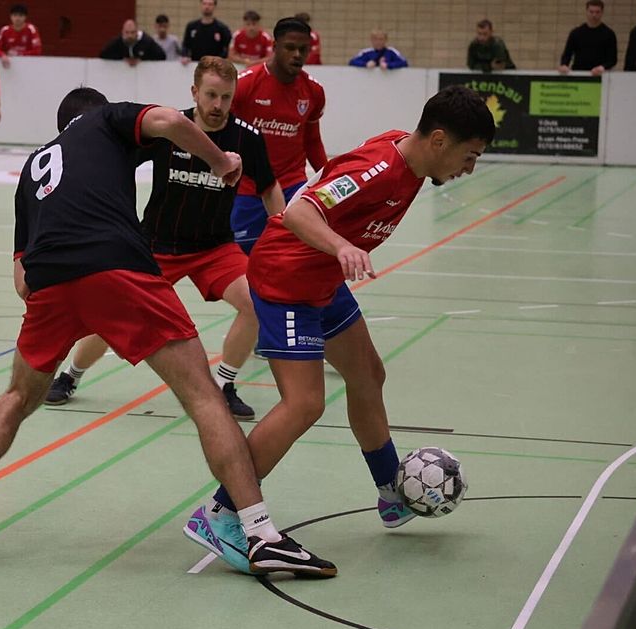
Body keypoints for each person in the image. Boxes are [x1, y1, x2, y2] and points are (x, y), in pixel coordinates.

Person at [0, 85, 336, 578]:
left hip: (50, 282)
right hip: (118, 264)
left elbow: (22, 281)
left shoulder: (32, 169)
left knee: (16, 398)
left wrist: (77, 302)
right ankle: (261, 535)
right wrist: (221, 163)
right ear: (96, 113)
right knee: (204, 397)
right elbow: (174, 125)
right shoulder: (107, 119)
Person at [197, 85, 495, 570]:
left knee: (368, 375)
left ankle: (389, 494)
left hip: (321, 280)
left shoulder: (415, 163)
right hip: (286, 280)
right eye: (470, 156)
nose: (469, 168)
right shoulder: (379, 168)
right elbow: (298, 211)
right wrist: (340, 247)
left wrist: (333, 257)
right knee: (305, 403)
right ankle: (220, 512)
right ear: (439, 140)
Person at [45, 57, 285, 423]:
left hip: (215, 248)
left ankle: (224, 385)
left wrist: (280, 235)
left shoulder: (246, 138)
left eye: (226, 97)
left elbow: (270, 189)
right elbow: (116, 161)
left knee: (256, 302)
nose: (218, 105)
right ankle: (69, 377)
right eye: (210, 95)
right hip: (155, 245)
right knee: (113, 315)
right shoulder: (170, 129)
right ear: (194, 93)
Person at [229, 17, 326, 254]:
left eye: (303, 50)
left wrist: (327, 178)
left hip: (293, 185)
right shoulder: (245, 85)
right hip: (248, 188)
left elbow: (312, 141)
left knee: (303, 255)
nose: (297, 55)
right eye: (290, 48)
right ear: (274, 46)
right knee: (242, 260)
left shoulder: (313, 91)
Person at [559, 0, 617, 76]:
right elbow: (567, 54)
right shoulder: (576, 33)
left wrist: (603, 67)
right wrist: (564, 65)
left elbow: (612, 59)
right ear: (586, 11)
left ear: (602, 13)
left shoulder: (609, 34)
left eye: (597, 12)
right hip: (579, 74)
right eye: (591, 12)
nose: (594, 15)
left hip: (600, 76)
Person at [0, 3, 42, 69]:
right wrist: (2, 55)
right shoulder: (5, 30)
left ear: (25, 17)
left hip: (29, 64)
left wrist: (19, 54)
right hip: (10, 65)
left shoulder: (31, 29)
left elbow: (37, 51)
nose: (17, 18)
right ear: (10, 16)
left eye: (20, 16)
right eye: (15, 15)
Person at [100, 18, 166, 65]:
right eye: (127, 32)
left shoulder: (146, 41)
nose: (130, 36)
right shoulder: (118, 41)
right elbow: (103, 54)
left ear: (137, 32)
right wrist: (122, 59)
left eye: (132, 32)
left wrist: (142, 60)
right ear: (122, 32)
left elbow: (161, 56)